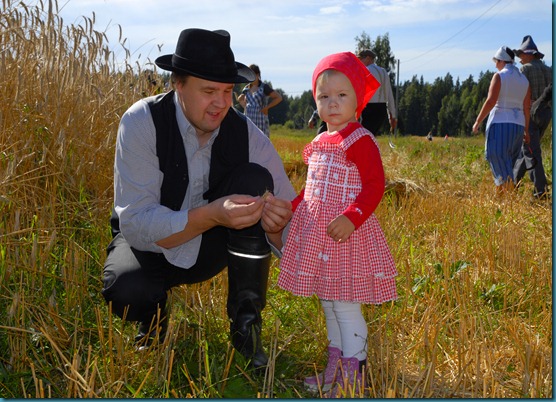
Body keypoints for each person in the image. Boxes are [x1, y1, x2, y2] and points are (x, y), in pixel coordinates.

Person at [102, 28, 296, 370]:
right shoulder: (141, 122)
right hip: (150, 246)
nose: (221, 103)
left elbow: (293, 214)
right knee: (127, 291)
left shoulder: (248, 135)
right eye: (208, 91)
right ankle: (153, 316)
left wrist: (278, 229)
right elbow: (136, 222)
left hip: (214, 246)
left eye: (227, 91)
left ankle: (246, 329)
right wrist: (212, 214)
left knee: (255, 179)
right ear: (177, 84)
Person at [277, 52, 398, 396]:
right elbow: (312, 189)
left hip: (347, 235)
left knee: (345, 305)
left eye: (342, 95)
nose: (332, 103)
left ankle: (354, 374)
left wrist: (352, 216)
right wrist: (291, 207)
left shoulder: (359, 140)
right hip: (320, 235)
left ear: (359, 99)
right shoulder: (318, 142)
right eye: (324, 96)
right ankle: (335, 368)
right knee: (329, 303)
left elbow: (374, 186)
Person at [473, 46, 531, 195]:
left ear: (501, 61)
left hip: (501, 123)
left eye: (496, 61)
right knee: (508, 163)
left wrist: (478, 121)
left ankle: (510, 198)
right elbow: (526, 108)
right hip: (518, 126)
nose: (495, 65)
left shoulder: (499, 76)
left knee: (496, 156)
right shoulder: (524, 80)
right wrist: (526, 130)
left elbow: (491, 101)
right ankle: (501, 197)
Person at [512, 35, 552, 199]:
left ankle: (540, 191)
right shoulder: (549, 70)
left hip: (530, 113)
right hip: (546, 113)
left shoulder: (525, 70)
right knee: (527, 149)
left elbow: (520, 94)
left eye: (521, 54)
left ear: (529, 54)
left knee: (532, 151)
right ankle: (513, 182)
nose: (520, 59)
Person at [357, 49, 397, 135]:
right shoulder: (383, 71)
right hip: (381, 109)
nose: (359, 62)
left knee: (364, 137)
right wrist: (392, 115)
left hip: (368, 109)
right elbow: (389, 94)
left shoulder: (365, 71)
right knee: (370, 136)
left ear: (368, 58)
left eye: (360, 59)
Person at [237, 64, 282, 137]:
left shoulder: (264, 87)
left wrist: (267, 108)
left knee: (262, 142)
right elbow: (241, 99)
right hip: (249, 120)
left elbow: (278, 97)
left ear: (257, 75)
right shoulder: (246, 88)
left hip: (261, 121)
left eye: (251, 74)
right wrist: (243, 104)